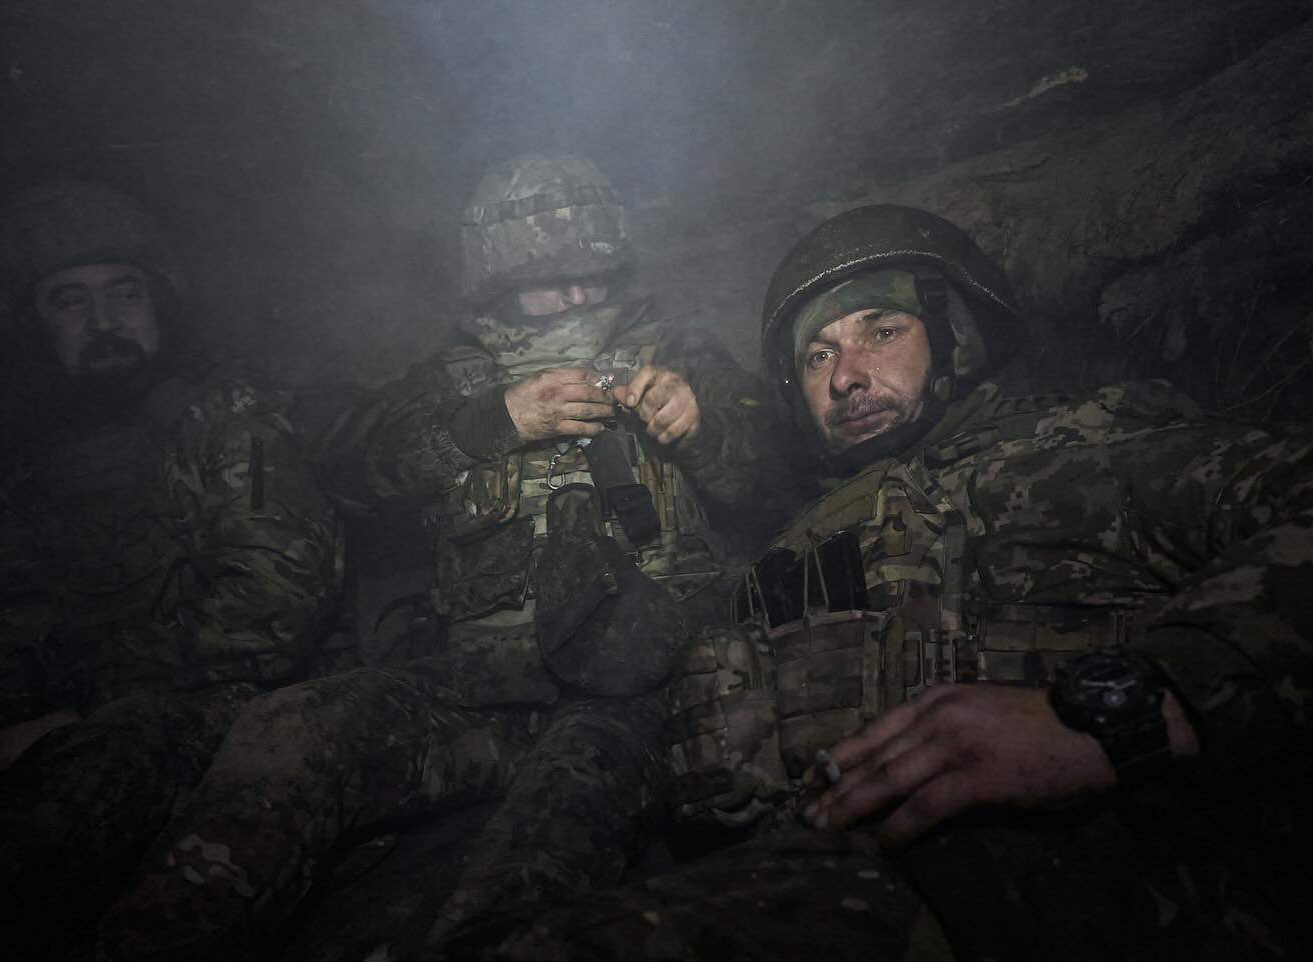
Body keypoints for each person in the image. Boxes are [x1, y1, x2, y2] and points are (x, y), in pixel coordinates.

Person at [445, 203, 1313, 962]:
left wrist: (1128, 712)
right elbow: (637, 723)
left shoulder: (1090, 451)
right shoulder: (793, 548)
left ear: (958, 335)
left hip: (1103, 887)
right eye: (817, 356)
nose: (846, 375)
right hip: (838, 882)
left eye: (882, 332)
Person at [80, 152, 793, 961]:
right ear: (498, 282)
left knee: (547, 833)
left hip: (635, 689)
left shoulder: (680, 351)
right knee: (292, 732)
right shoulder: (456, 379)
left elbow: (773, 476)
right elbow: (349, 468)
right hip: (483, 691)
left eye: (592, 274)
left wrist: (699, 427)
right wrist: (491, 421)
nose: (577, 296)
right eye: (549, 279)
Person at [0, 180, 345, 957]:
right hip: (98, 724)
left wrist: (78, 713)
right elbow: (8, 625)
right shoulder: (36, 469)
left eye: (125, 292)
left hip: (225, 712)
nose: (104, 321)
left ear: (162, 303)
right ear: (32, 325)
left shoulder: (224, 424)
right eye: (70, 301)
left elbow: (272, 608)